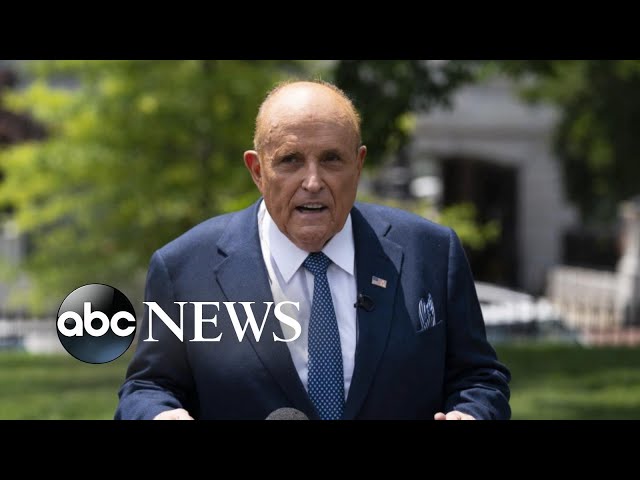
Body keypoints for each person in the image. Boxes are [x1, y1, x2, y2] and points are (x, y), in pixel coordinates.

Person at [115, 80, 511, 420]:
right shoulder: (184, 268)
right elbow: (148, 387)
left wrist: (472, 412)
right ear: (257, 170)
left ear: (358, 164)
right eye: (290, 160)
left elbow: (479, 378)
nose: (312, 182)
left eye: (331, 159)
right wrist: (161, 414)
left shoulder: (432, 252)